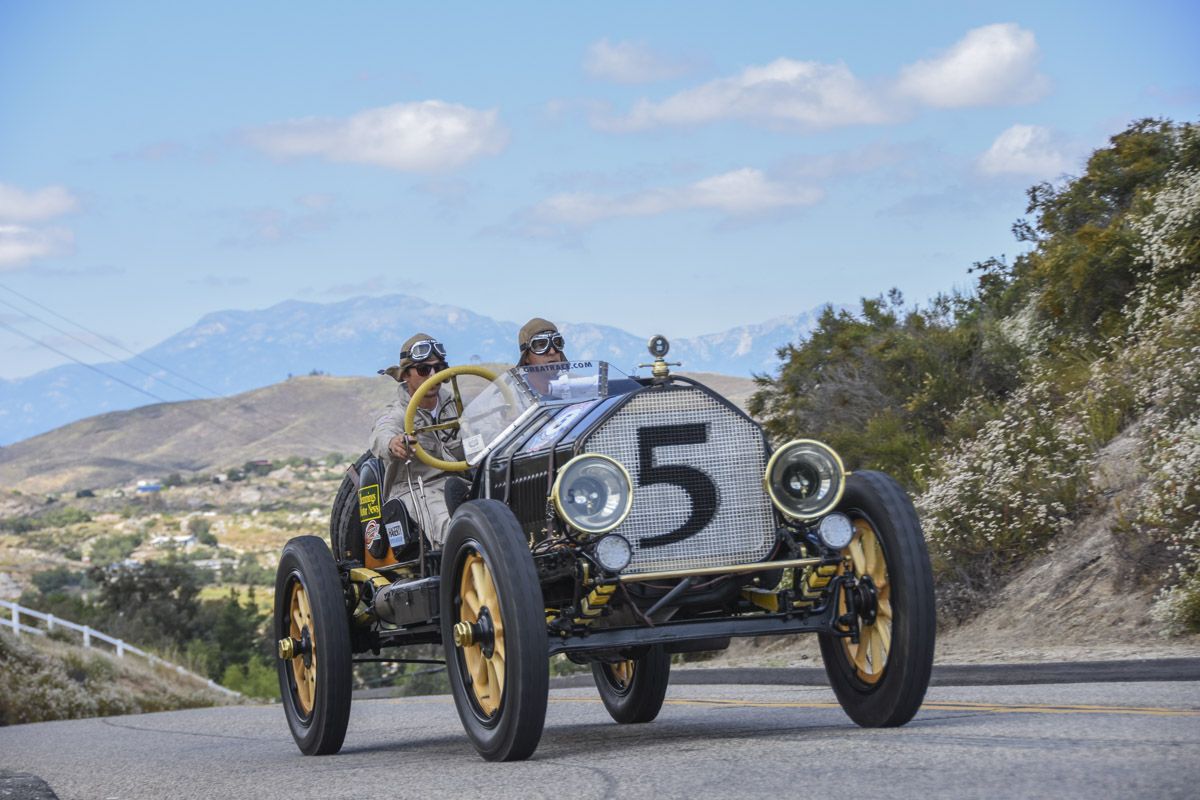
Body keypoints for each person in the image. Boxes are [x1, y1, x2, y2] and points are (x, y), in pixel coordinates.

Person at [368, 333, 463, 548]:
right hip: (417, 488)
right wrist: (394, 443)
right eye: (423, 370)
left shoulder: (458, 406)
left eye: (438, 369)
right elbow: (381, 434)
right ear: (406, 376)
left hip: (462, 481)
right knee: (454, 529)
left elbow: (485, 429)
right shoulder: (397, 412)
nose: (432, 375)